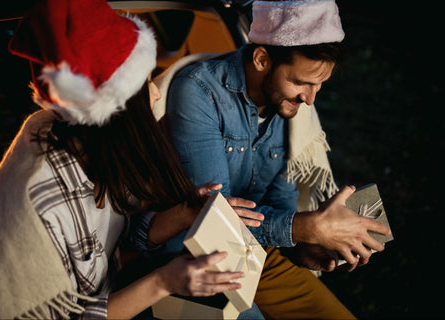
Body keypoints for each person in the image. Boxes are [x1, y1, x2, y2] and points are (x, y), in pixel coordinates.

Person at [0, 0, 265, 319]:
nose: (157, 94)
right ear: (116, 107)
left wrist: (185, 214)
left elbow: (118, 241)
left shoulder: (92, 152)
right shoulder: (40, 203)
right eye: (148, 82)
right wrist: (164, 282)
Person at [162, 0, 392, 319]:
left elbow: (280, 198)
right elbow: (215, 221)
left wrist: (302, 246)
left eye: (319, 85)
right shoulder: (198, 93)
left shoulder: (285, 104)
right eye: (301, 82)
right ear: (261, 59)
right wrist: (304, 227)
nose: (310, 99)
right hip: (197, 261)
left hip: (257, 255)